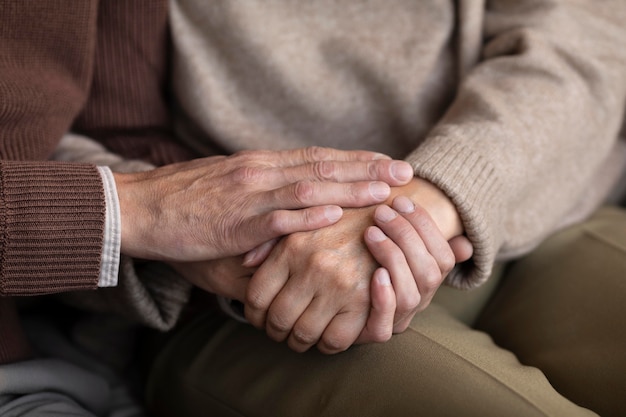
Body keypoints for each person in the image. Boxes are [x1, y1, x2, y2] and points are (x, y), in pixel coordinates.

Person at [141, 0, 626, 416]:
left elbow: (584, 38)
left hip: (537, 204)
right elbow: (79, 138)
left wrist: (439, 192)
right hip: (251, 297)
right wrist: (222, 233)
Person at [0, 1, 436, 415]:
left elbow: (120, 128)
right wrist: (137, 212)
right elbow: (122, 166)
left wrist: (433, 195)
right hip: (66, 346)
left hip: (64, 344)